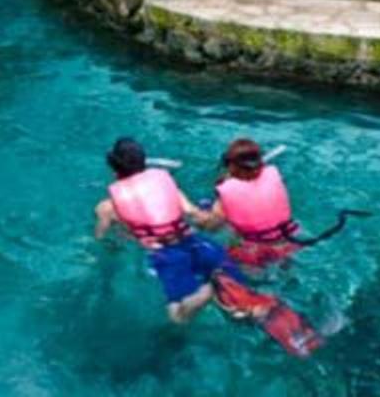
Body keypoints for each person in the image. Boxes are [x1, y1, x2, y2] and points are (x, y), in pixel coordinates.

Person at [94, 137, 262, 324]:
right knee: (239, 303)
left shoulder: (106, 208)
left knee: (178, 317)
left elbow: (104, 242)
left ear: (114, 168)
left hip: (167, 255)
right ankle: (239, 301)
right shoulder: (165, 183)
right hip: (196, 242)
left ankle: (210, 290)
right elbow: (194, 214)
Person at [204, 138, 302, 268]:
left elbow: (212, 227)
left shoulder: (227, 190)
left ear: (230, 165)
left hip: (254, 250)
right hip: (290, 241)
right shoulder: (273, 174)